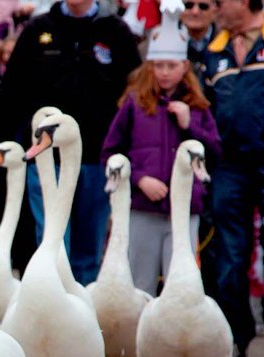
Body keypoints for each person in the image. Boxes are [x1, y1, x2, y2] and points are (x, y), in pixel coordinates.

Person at [0, 0, 140, 285]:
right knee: (52, 243)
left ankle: (83, 306)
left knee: (88, 249)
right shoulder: (37, 30)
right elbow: (12, 92)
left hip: (97, 158)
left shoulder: (116, 31)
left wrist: (121, 146)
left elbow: (134, 94)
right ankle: (52, 302)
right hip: (47, 159)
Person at [201, 0, 264, 357]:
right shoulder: (214, 49)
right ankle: (237, 335)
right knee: (230, 253)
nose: (216, 8)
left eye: (221, 2)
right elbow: (207, 107)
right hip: (229, 165)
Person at [101, 13, 220, 295]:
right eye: (158, 66)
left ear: (185, 66)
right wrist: (139, 179)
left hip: (184, 208)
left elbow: (214, 153)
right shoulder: (134, 104)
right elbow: (111, 153)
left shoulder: (197, 106)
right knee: (139, 285)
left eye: (171, 66)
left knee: (180, 286)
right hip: (143, 207)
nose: (165, 72)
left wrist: (190, 126)